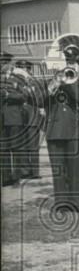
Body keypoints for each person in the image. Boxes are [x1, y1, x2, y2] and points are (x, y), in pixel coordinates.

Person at [46, 63, 79, 211]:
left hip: (73, 131)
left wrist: (68, 84)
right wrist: (55, 84)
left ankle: (75, 203)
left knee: (74, 170)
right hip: (54, 132)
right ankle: (61, 203)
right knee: (59, 171)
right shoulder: (49, 83)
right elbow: (38, 100)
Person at [1, 54, 29, 186]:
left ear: (9, 64)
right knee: (3, 149)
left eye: (4, 63)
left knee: (16, 148)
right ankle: (6, 178)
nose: (3, 66)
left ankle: (16, 177)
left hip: (14, 117)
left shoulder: (19, 78)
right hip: (2, 118)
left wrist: (8, 95)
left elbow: (24, 96)